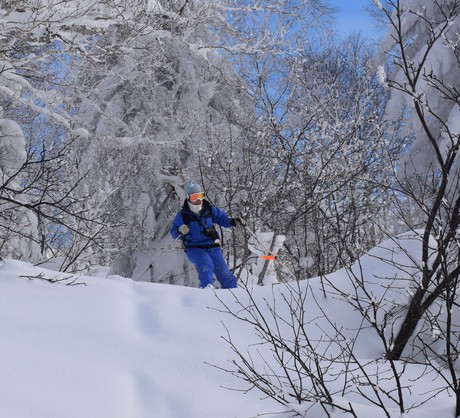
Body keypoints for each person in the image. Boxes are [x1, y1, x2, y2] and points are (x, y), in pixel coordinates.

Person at [171, 180, 245, 289]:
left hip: (212, 246)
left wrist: (233, 221)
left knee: (223, 271)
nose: (198, 200)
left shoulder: (208, 210)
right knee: (205, 263)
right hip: (194, 247)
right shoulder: (183, 215)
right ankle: (206, 293)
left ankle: (233, 294)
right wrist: (180, 230)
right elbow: (174, 232)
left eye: (200, 196)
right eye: (194, 197)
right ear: (188, 198)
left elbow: (222, 219)